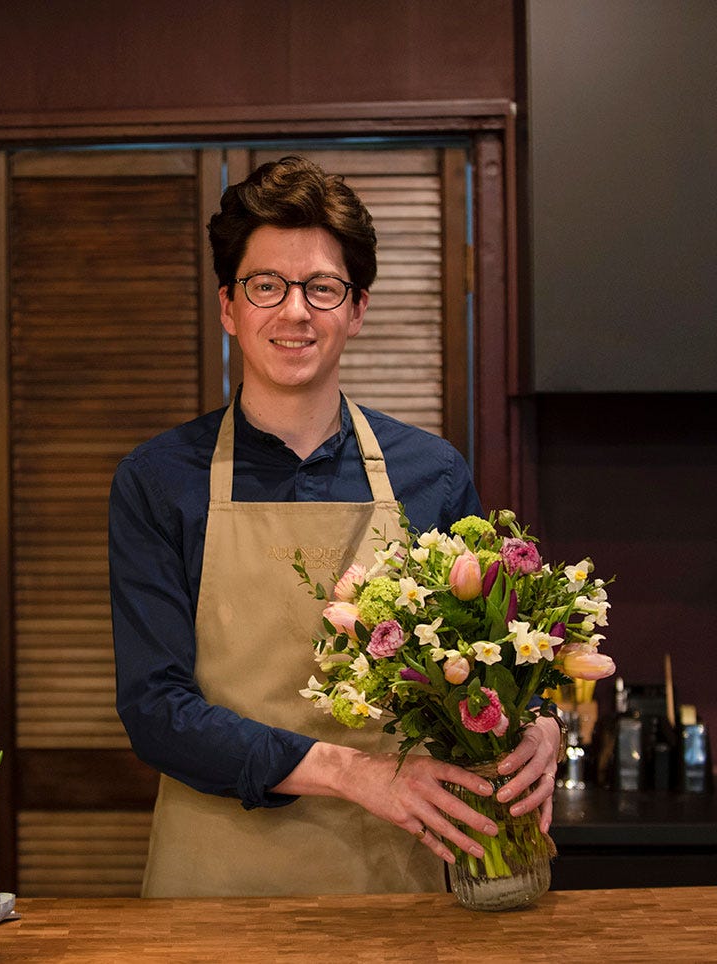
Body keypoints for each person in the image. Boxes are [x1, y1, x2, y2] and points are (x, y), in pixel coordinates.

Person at [108, 155, 560, 898]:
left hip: (399, 876)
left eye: (322, 288)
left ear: (357, 309)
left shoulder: (432, 474)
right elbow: (156, 712)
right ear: (228, 307)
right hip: (215, 888)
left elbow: (488, 658)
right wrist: (354, 773)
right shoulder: (160, 480)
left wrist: (539, 723)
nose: (295, 312)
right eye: (266, 286)